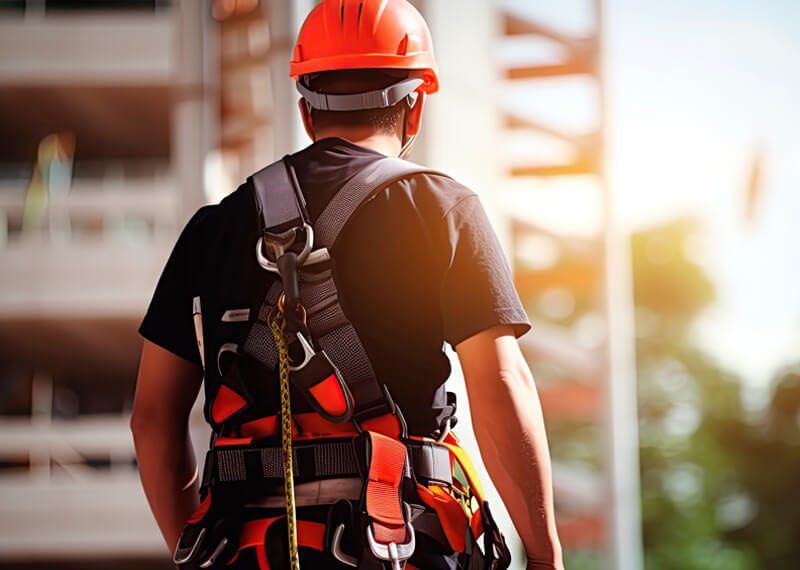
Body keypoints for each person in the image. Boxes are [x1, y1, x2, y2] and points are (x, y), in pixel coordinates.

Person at [131, 1, 563, 569]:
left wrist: (195, 551)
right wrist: (545, 554)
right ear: (416, 105)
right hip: (398, 546)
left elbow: (153, 418)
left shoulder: (212, 229)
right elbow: (500, 383)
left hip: (248, 551)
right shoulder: (442, 207)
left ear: (307, 109)